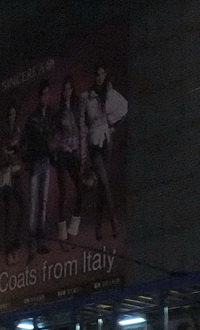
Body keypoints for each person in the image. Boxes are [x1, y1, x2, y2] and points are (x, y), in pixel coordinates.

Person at [80, 63, 128, 241]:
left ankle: (98, 225)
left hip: (106, 139)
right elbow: (84, 126)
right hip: (93, 142)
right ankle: (113, 220)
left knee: (102, 182)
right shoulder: (87, 97)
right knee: (104, 180)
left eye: (102, 74)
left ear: (105, 75)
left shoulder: (109, 93)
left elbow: (123, 108)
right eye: (97, 74)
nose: (99, 77)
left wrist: (112, 126)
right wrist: (83, 156)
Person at [23, 79, 55, 257]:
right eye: (43, 94)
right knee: (34, 203)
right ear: (39, 96)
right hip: (36, 163)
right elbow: (25, 144)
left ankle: (40, 241)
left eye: (47, 94)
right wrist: (29, 162)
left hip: (46, 161)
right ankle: (32, 244)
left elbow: (55, 135)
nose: (46, 97)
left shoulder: (51, 114)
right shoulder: (33, 118)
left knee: (42, 203)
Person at [54, 76, 84, 250]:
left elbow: (81, 130)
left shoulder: (77, 107)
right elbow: (55, 135)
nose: (67, 92)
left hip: (74, 153)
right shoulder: (59, 112)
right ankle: (62, 234)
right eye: (64, 89)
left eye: (69, 89)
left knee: (80, 188)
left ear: (72, 90)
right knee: (63, 192)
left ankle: (73, 229)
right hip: (62, 154)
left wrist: (82, 154)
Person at [0, 101, 26, 258]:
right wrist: (10, 151)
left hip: (16, 173)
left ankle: (16, 240)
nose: (11, 116)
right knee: (9, 211)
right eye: (9, 114)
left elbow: (19, 152)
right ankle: (9, 247)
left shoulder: (18, 130)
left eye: (13, 113)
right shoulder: (3, 132)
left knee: (22, 207)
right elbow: (3, 152)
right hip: (7, 175)